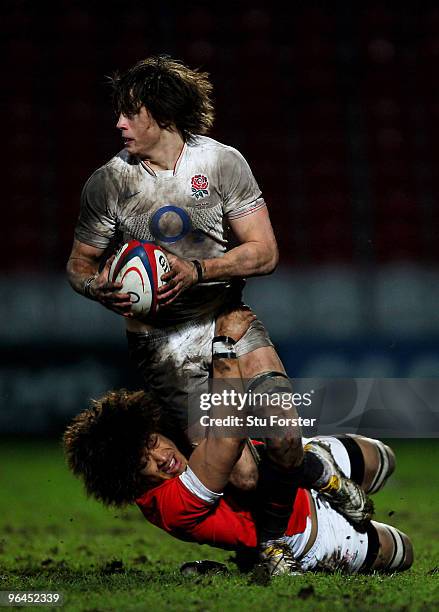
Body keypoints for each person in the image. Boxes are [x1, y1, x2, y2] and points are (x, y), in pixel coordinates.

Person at [65, 55, 303, 480]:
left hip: (226, 317)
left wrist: (197, 270)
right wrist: (94, 287)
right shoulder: (108, 183)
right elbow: (79, 265)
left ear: (164, 113)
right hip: (161, 345)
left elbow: (264, 252)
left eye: (130, 113)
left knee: (286, 440)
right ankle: (269, 540)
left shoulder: (221, 163)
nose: (119, 123)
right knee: (241, 475)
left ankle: (318, 484)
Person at [64, 311, 398, 576]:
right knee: (402, 551)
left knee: (384, 460)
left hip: (288, 461)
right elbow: (227, 437)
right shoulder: (170, 505)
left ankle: (316, 470)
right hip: (306, 536)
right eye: (143, 463)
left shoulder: (173, 432)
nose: (161, 457)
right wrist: (223, 346)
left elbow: (157, 359)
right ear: (130, 479)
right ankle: (269, 541)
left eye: (153, 441)